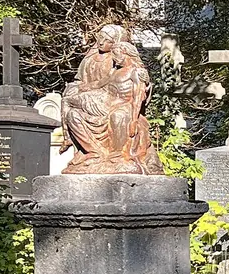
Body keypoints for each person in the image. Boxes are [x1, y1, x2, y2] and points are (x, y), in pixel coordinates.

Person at [60, 25, 163, 175]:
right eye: (99, 38)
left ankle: (117, 156)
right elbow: (97, 84)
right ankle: (91, 152)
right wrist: (79, 88)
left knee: (117, 116)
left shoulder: (135, 72)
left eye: (107, 40)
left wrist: (134, 120)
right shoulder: (112, 70)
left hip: (118, 105)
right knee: (72, 111)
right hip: (104, 100)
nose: (101, 43)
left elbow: (139, 96)